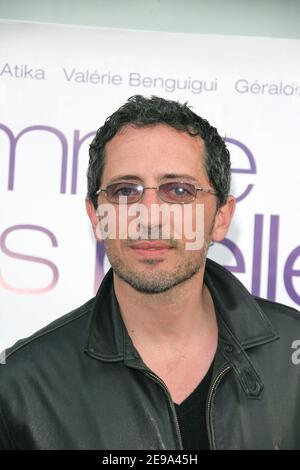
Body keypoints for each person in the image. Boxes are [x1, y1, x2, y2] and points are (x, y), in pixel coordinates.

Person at [0, 95, 299, 450]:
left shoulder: (292, 359)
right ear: (97, 217)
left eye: (178, 190)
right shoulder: (21, 387)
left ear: (221, 217)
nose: (150, 217)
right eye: (125, 191)